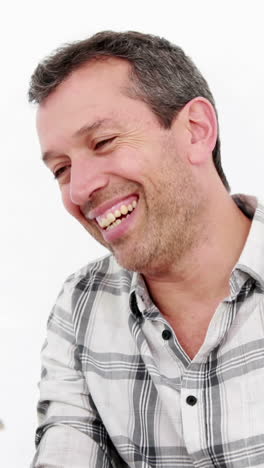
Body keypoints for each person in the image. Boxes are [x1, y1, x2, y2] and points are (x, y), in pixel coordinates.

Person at [28, 31, 264, 468]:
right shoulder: (80, 306)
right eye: (62, 169)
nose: (80, 189)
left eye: (103, 142)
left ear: (195, 131)